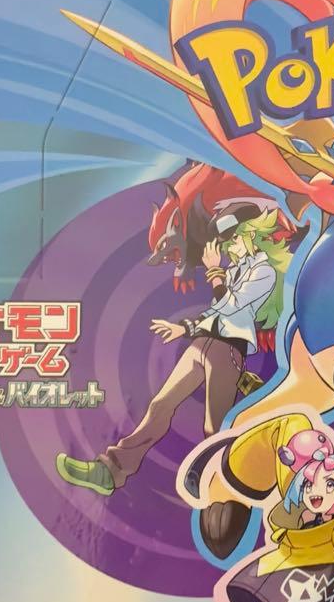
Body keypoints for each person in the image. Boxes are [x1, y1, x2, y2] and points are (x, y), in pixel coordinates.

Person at [56, 202, 279, 496]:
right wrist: (183, 329)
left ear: (252, 234)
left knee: (214, 427)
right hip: (203, 343)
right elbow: (216, 313)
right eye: (227, 241)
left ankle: (224, 489)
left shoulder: (264, 272)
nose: (229, 247)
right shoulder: (236, 270)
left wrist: (215, 273)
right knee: (160, 405)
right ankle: (111, 469)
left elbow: (231, 306)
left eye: (234, 239)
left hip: (227, 351)